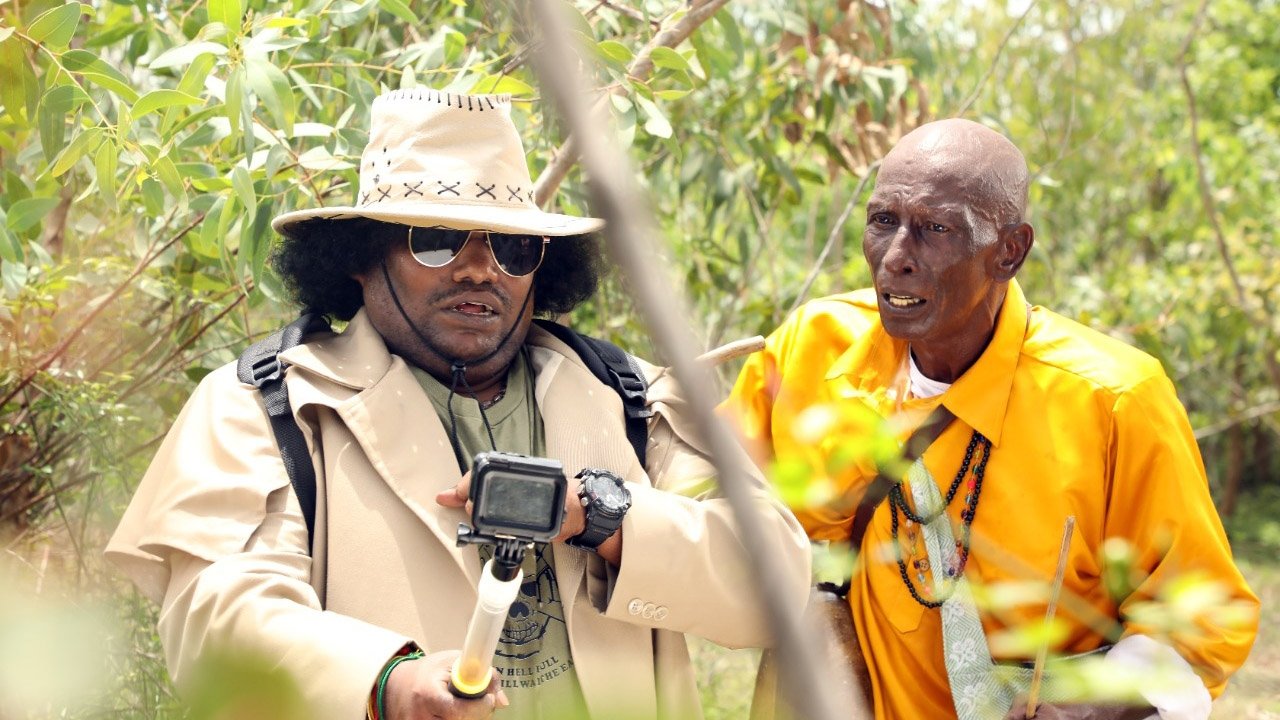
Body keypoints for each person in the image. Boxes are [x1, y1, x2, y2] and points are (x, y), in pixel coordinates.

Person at [106, 88, 810, 720]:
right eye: (437, 241)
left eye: (512, 247)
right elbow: (218, 619)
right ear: (361, 256)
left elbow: (774, 582)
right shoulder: (269, 408)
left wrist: (599, 514)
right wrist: (385, 683)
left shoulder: (632, 397)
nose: (480, 269)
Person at [724, 119, 1258, 720]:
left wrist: (1089, 710)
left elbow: (1203, 621)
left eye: (935, 229)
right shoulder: (811, 347)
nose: (895, 257)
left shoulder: (1112, 400)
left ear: (1009, 251)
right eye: (883, 221)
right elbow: (702, 489)